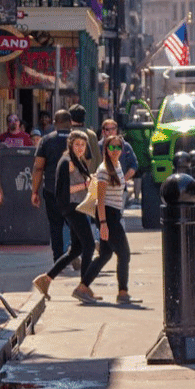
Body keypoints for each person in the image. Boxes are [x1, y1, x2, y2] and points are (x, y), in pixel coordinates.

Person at [33, 129, 99, 297]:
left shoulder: (77, 160)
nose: (80, 148)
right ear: (70, 144)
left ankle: (46, 279)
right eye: (77, 144)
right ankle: (83, 287)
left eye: (83, 145)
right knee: (89, 245)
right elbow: (65, 189)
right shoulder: (67, 162)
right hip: (72, 207)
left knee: (75, 249)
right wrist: (86, 185)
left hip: (77, 206)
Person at [78, 131, 140, 303]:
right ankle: (123, 293)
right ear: (105, 149)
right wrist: (103, 223)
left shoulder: (118, 165)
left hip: (113, 214)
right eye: (112, 147)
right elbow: (101, 198)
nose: (115, 150)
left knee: (105, 254)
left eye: (118, 147)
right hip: (108, 215)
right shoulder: (105, 169)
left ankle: (83, 287)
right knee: (124, 254)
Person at [29, 109, 75, 267]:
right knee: (76, 224)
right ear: (71, 123)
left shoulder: (46, 140)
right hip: (74, 191)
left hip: (52, 189)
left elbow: (38, 167)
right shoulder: (78, 140)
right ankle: (74, 251)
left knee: (55, 226)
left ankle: (58, 259)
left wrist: (35, 191)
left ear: (55, 123)